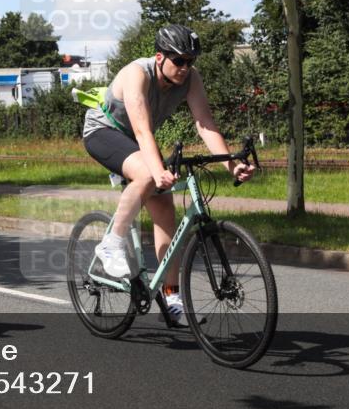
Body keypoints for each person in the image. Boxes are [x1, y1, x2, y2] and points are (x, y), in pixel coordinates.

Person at [82, 24, 254, 326]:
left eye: (190, 61)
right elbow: (141, 130)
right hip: (103, 131)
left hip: (137, 142)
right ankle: (111, 242)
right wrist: (157, 170)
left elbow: (205, 124)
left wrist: (231, 164)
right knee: (148, 176)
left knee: (164, 210)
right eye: (179, 61)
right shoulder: (137, 74)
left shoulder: (190, 80)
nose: (185, 68)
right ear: (159, 57)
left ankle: (172, 297)